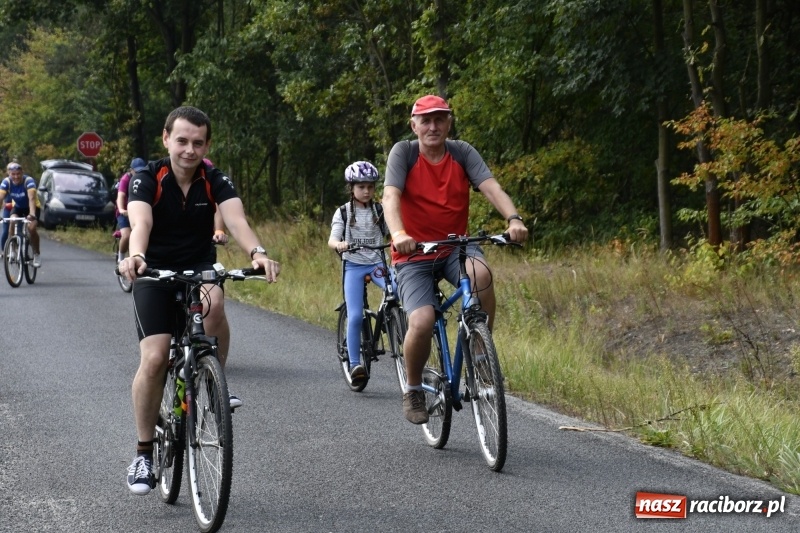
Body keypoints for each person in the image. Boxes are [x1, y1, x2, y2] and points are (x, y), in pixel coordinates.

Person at [118, 105, 281, 495]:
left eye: (197, 142)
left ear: (206, 144)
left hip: (198, 268)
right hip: (154, 272)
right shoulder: (146, 178)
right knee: (156, 357)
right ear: (166, 139)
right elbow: (141, 223)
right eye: (182, 141)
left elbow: (237, 221)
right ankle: (143, 453)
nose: (189, 150)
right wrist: (137, 256)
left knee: (216, 303)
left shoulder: (214, 179)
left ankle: (210, 381)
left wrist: (257, 253)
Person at [382, 94, 529, 424]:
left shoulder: (462, 152)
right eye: (425, 120)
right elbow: (390, 196)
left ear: (449, 122)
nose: (433, 126)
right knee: (421, 321)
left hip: (454, 247)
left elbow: (491, 187)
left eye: (439, 119)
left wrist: (514, 219)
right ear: (414, 125)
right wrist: (399, 234)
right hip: (413, 254)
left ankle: (479, 353)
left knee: (482, 274)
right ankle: (414, 388)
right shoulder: (403, 153)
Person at [327, 161, 392, 387]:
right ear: (352, 188)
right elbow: (332, 240)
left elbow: (393, 232)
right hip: (353, 266)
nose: (366, 191)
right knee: (355, 316)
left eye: (370, 187)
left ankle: (392, 322)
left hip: (377, 265)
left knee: (399, 291)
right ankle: (355, 364)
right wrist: (340, 244)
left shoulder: (380, 210)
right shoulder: (343, 212)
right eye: (361, 186)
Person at [0, 162, 41, 267]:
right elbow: (0, 198)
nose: (16, 176)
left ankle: (36, 254)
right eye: (13, 174)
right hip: (17, 207)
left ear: (22, 173)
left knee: (31, 229)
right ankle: (13, 250)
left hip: (32, 207)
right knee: (12, 221)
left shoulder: (29, 181)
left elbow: (31, 198)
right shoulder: (6, 182)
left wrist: (32, 214)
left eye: (18, 174)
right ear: (9, 174)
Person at [114, 158, 148, 262]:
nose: (139, 173)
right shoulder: (125, 179)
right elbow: (120, 196)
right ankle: (121, 258)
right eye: (136, 171)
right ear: (131, 170)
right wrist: (121, 209)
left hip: (138, 211)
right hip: (125, 212)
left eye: (141, 171)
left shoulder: (147, 178)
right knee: (127, 235)